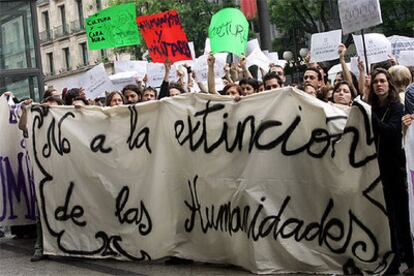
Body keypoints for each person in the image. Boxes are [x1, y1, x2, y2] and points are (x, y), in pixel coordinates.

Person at [367, 68, 413, 274]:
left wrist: (370, 118)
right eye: (375, 81)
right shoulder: (372, 108)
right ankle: (393, 256)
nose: (379, 84)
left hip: (395, 169)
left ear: (389, 84)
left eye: (383, 81)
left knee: (401, 216)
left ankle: (409, 258)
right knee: (387, 217)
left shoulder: (397, 107)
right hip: (376, 169)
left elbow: (391, 132)